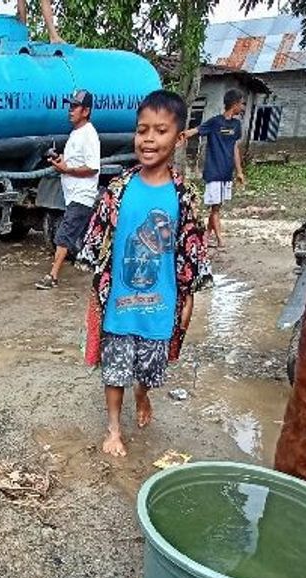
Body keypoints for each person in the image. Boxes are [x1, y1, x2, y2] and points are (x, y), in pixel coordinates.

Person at [75, 90, 212, 457]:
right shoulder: (118, 189)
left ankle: (143, 394)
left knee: (150, 368)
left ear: (179, 138)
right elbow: (97, 240)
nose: (149, 139)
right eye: (142, 130)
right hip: (119, 304)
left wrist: (188, 298)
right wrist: (96, 291)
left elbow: (191, 249)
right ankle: (114, 428)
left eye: (160, 131)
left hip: (160, 305)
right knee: (114, 369)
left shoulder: (184, 196)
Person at [35, 89, 100, 290]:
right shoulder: (76, 133)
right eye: (70, 106)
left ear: (86, 111)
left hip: (83, 195)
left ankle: (52, 276)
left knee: (64, 235)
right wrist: (60, 161)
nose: (70, 110)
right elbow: (74, 162)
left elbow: (92, 167)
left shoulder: (89, 134)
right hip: (72, 194)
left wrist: (67, 169)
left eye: (75, 107)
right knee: (83, 234)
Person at [195, 89, 246, 249]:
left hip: (226, 172)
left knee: (216, 207)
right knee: (215, 208)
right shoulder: (215, 122)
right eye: (242, 104)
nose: (243, 107)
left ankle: (206, 237)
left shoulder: (236, 125)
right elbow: (196, 130)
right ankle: (219, 240)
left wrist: (239, 171)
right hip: (214, 171)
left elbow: (235, 149)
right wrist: (180, 136)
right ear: (235, 104)